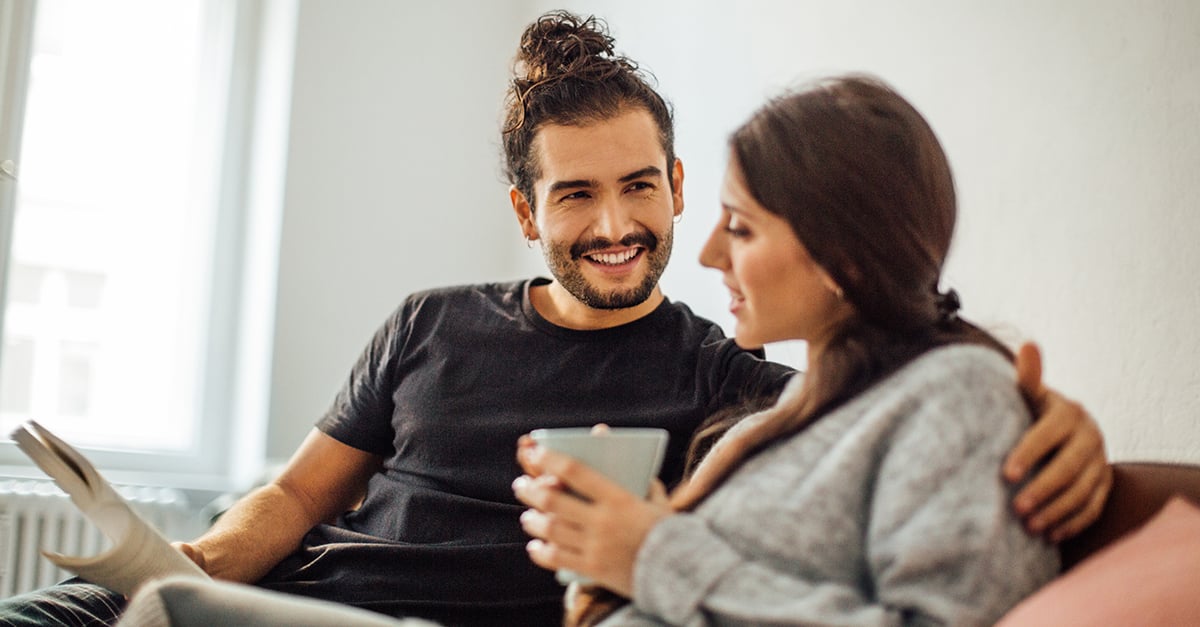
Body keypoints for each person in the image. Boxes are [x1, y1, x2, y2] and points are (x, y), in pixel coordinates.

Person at [1, 11, 1107, 627]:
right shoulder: (427, 324)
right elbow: (296, 496)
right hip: (293, 603)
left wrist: (1047, 413)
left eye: (640, 186)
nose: (617, 224)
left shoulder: (730, 380)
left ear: (676, 183)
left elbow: (884, 378)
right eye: (577, 195)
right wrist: (183, 561)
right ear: (526, 209)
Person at [511, 74, 1069, 626]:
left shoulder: (957, 396)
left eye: (741, 228)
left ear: (844, 254)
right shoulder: (776, 420)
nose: (707, 254)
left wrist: (653, 555)